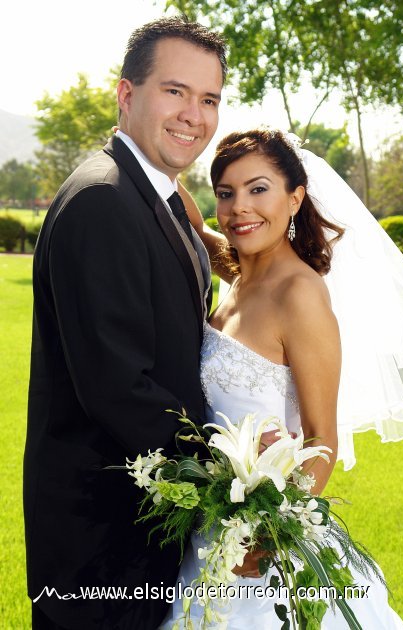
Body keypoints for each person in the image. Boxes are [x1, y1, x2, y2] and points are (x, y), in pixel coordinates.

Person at [162, 128, 403, 628]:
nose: (238, 208)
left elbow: (322, 438)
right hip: (214, 523)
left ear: (295, 198)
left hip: (263, 545)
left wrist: (265, 539)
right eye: (225, 193)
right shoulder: (240, 271)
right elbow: (186, 215)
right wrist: (145, 154)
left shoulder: (300, 294)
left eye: (258, 189)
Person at [24, 16, 226, 630]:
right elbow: (118, 387)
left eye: (209, 99)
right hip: (103, 538)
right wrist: (234, 478)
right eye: (175, 91)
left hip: (144, 524)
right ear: (126, 93)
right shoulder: (103, 199)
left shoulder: (156, 196)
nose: (194, 114)